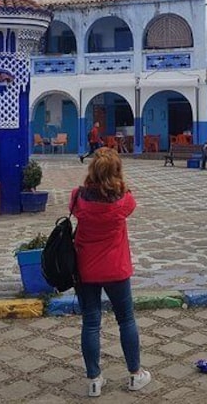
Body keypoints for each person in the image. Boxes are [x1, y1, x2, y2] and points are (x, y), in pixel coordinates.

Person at [72, 148, 151, 397]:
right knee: (126, 319)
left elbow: (74, 208)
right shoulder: (124, 199)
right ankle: (135, 374)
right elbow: (130, 203)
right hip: (116, 268)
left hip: (85, 269)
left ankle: (94, 379)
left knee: (91, 323)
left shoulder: (78, 198)